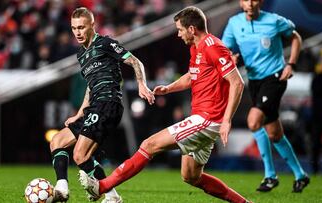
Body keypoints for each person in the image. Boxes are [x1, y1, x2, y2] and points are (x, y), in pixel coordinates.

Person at [78, 6, 251, 203]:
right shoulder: (197, 48)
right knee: (191, 176)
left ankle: (102, 187)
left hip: (208, 119)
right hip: (202, 118)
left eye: (180, 29)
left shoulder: (213, 46)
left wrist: (227, 120)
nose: (178, 34)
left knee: (149, 145)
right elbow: (192, 77)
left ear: (192, 29)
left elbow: (237, 82)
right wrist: (169, 88)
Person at [50, 7, 155, 203]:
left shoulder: (105, 43)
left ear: (92, 25)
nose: (78, 32)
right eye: (74, 28)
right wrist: (78, 114)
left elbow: (135, 61)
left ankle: (110, 195)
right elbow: (90, 87)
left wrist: (142, 84)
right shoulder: (81, 55)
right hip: (94, 106)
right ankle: (62, 189)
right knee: (57, 141)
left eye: (81, 27)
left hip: (108, 104)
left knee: (80, 155)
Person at [221, 0, 309, 192]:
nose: (250, 3)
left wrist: (291, 64)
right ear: (240, 2)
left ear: (260, 1)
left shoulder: (274, 21)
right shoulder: (234, 23)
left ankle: (270, 175)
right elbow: (226, 50)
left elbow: (295, 38)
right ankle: (300, 175)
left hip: (275, 77)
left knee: (253, 121)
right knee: (275, 134)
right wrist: (232, 58)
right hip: (254, 81)